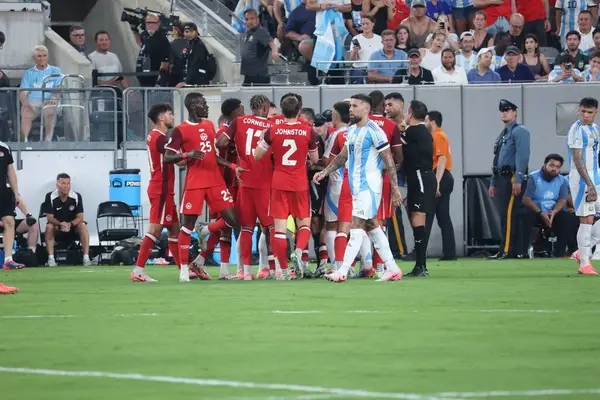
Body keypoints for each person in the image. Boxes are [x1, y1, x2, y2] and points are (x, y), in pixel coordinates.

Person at [313, 94, 403, 282]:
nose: (350, 109)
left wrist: (394, 188)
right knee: (373, 228)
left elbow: (389, 160)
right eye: (350, 106)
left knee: (355, 227)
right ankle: (393, 268)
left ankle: (342, 271)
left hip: (369, 187)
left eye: (354, 106)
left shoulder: (375, 131)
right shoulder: (352, 130)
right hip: (355, 187)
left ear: (366, 109)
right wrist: (325, 172)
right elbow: (343, 156)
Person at [164, 93, 243, 282]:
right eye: (203, 104)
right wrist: (187, 154)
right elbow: (168, 157)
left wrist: (232, 166)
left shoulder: (208, 125)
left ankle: (206, 231)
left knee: (234, 219)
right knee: (187, 226)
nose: (206, 107)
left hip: (215, 181)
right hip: (195, 183)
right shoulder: (180, 130)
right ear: (193, 107)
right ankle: (184, 269)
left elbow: (211, 156)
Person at [254, 95, 319, 280]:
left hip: (279, 181)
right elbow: (314, 160)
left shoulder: (272, 130)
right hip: (299, 182)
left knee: (280, 229)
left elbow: (258, 156)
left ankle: (282, 271)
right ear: (299, 111)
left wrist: (262, 141)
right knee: (304, 222)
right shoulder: (308, 130)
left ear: (282, 112)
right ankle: (298, 251)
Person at [218, 95, 276, 280]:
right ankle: (274, 269)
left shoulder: (239, 122)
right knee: (271, 228)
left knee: (246, 228)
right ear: (265, 108)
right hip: (265, 181)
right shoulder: (272, 125)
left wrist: (236, 158)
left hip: (244, 179)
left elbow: (220, 142)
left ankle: (246, 272)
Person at [192, 98, 246, 280]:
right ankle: (205, 230)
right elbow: (218, 147)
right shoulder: (225, 131)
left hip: (228, 182)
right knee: (233, 220)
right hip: (223, 183)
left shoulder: (234, 128)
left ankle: (206, 264)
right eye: (241, 109)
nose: (243, 111)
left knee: (226, 228)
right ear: (233, 112)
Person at [130, 103, 181, 283]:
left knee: (174, 229)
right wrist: (187, 153)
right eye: (169, 113)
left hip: (166, 190)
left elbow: (177, 160)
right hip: (161, 189)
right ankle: (138, 270)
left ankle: (184, 270)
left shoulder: (158, 137)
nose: (172, 116)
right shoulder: (159, 138)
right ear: (161, 118)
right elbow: (176, 159)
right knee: (155, 229)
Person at [395, 100, 437, 277]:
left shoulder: (413, 130)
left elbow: (396, 141)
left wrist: (401, 124)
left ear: (410, 114)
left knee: (418, 219)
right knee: (415, 219)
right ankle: (420, 265)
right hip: (419, 177)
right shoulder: (422, 131)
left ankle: (421, 265)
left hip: (420, 176)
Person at [488, 99, 531, 259]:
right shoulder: (504, 133)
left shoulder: (520, 131)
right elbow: (497, 158)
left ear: (515, 113)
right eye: (503, 110)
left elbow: (523, 157)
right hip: (502, 178)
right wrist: (493, 181)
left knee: (509, 215)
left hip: (512, 177)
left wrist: (518, 179)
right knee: (504, 214)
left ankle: (507, 250)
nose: (504, 112)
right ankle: (505, 249)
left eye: (508, 110)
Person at [368, 90, 403, 276]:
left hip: (361, 178)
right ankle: (381, 265)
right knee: (380, 223)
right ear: (382, 105)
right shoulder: (390, 125)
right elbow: (398, 157)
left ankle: (363, 266)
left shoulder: (360, 124)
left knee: (361, 222)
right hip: (383, 179)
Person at [566, 97, 600, 275]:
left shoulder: (595, 129)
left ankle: (582, 251)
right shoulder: (577, 129)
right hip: (582, 180)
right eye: (583, 111)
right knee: (586, 218)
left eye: (589, 112)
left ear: (596, 112)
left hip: (596, 177)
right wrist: (589, 184)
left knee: (593, 217)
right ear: (579, 110)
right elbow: (578, 159)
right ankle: (585, 263)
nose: (585, 115)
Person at [320, 101, 351, 276]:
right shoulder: (356, 132)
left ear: (335, 115)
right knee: (355, 226)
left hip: (337, 184)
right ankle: (365, 265)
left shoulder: (336, 135)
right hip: (355, 184)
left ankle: (337, 266)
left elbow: (327, 161)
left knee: (332, 226)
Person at [521, 154, 571, 258]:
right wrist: (540, 212)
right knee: (525, 216)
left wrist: (554, 212)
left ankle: (559, 253)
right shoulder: (533, 177)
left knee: (567, 218)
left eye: (558, 167)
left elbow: (563, 199)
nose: (554, 169)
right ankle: (522, 251)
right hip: (536, 211)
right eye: (552, 165)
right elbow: (526, 199)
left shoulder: (562, 180)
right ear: (545, 165)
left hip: (551, 212)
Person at [424, 110, 456, 261]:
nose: (424, 124)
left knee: (428, 214)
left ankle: (420, 251)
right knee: (443, 216)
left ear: (432, 121)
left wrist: (436, 183)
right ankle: (449, 253)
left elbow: (442, 160)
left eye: (425, 120)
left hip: (440, 176)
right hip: (443, 177)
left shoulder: (439, 136)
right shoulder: (437, 135)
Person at [43, 173, 92, 267]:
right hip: (57, 227)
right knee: (49, 226)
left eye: (68, 183)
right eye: (63, 183)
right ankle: (51, 259)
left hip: (72, 227)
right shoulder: (50, 196)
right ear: (57, 184)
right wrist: (61, 224)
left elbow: (80, 217)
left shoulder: (76, 196)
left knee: (82, 225)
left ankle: (86, 258)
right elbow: (50, 217)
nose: (66, 186)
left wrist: (70, 224)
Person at [20, 45, 61, 142]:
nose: (42, 58)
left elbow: (59, 87)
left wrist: (54, 97)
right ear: (34, 58)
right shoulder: (28, 73)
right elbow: (22, 92)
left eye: (44, 55)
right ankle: (23, 141)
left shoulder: (56, 70)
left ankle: (48, 139)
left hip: (49, 101)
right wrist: (25, 103)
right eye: (39, 56)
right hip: (33, 102)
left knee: (49, 110)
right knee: (25, 113)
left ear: (48, 57)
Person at [0, 140, 24, 273]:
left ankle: (8, 259)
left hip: (3, 192)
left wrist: (16, 193)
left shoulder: (4, 147)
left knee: (9, 221)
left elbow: (10, 172)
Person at [241, 9, 279, 86]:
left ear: (257, 20)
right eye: (247, 19)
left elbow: (273, 43)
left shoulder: (261, 31)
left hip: (259, 76)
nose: (249, 22)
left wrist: (274, 52)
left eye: (252, 18)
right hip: (249, 75)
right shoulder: (249, 33)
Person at [135, 13, 171, 87]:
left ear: (158, 23)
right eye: (148, 23)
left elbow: (165, 62)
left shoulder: (161, 38)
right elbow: (141, 43)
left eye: (153, 23)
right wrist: (134, 30)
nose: (150, 25)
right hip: (143, 76)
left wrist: (159, 80)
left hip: (153, 78)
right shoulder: (145, 34)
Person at [175, 23, 214, 87]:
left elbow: (195, 64)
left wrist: (186, 81)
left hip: (200, 80)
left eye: (192, 31)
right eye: (187, 32)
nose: (189, 34)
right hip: (191, 79)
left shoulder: (199, 45)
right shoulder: (188, 44)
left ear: (196, 32)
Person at [349, 16, 383, 84]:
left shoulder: (380, 39)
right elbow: (352, 59)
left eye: (367, 23)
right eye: (363, 24)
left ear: (373, 24)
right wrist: (355, 51)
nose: (365, 26)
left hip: (375, 69)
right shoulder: (356, 38)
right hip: (360, 68)